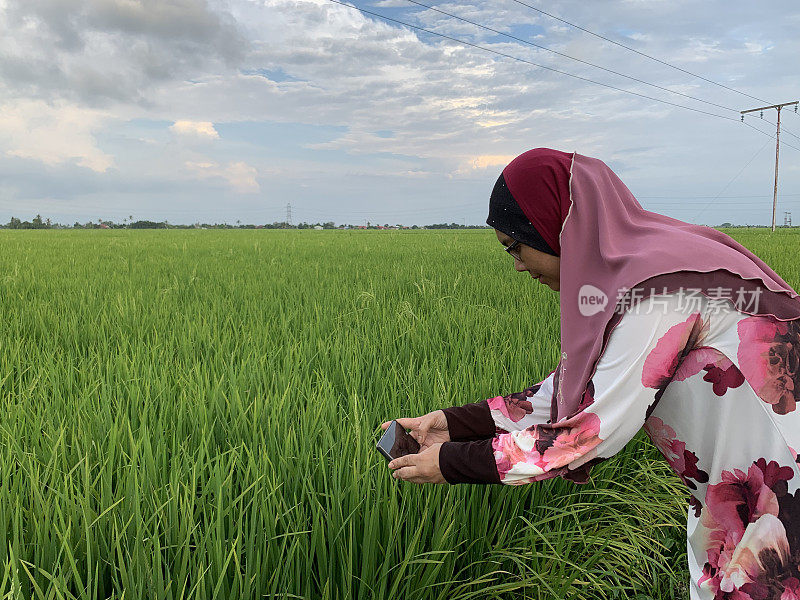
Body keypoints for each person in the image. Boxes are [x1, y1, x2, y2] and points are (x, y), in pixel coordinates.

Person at [381, 148, 800, 599]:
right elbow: (562, 395)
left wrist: (451, 463)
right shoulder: (633, 276)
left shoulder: (658, 293)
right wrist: (451, 424)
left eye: (516, 247)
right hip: (734, 497)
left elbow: (589, 432)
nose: (518, 266)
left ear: (558, 226)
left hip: (782, 496)